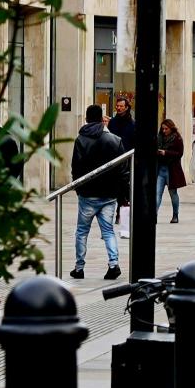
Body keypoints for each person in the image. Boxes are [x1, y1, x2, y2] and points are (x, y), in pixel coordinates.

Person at [69, 105, 126, 283]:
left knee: (81, 231)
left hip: (87, 193)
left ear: (86, 118)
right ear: (102, 118)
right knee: (108, 231)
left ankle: (79, 267)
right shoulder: (114, 140)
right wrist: (121, 192)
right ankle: (113, 264)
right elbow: (123, 170)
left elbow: (75, 167)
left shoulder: (81, 140)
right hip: (109, 194)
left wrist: (79, 188)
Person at [156, 114, 186, 225]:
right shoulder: (159, 137)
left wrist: (166, 153)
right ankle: (154, 215)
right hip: (160, 169)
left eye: (166, 129)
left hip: (171, 169)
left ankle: (175, 215)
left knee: (173, 193)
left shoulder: (177, 138)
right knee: (157, 194)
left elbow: (179, 153)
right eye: (162, 128)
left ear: (171, 128)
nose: (164, 131)